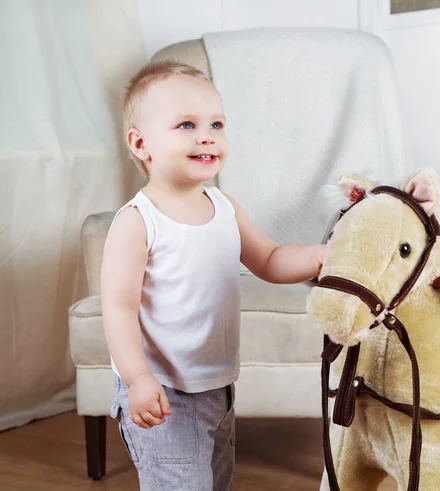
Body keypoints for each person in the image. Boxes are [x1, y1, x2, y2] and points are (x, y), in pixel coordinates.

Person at [100, 59, 325, 490]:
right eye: (186, 124)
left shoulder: (224, 207)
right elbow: (119, 307)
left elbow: (271, 259)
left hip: (217, 388)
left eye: (216, 124)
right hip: (163, 390)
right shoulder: (137, 221)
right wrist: (138, 379)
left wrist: (319, 256)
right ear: (141, 143)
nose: (207, 135)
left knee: (215, 482)